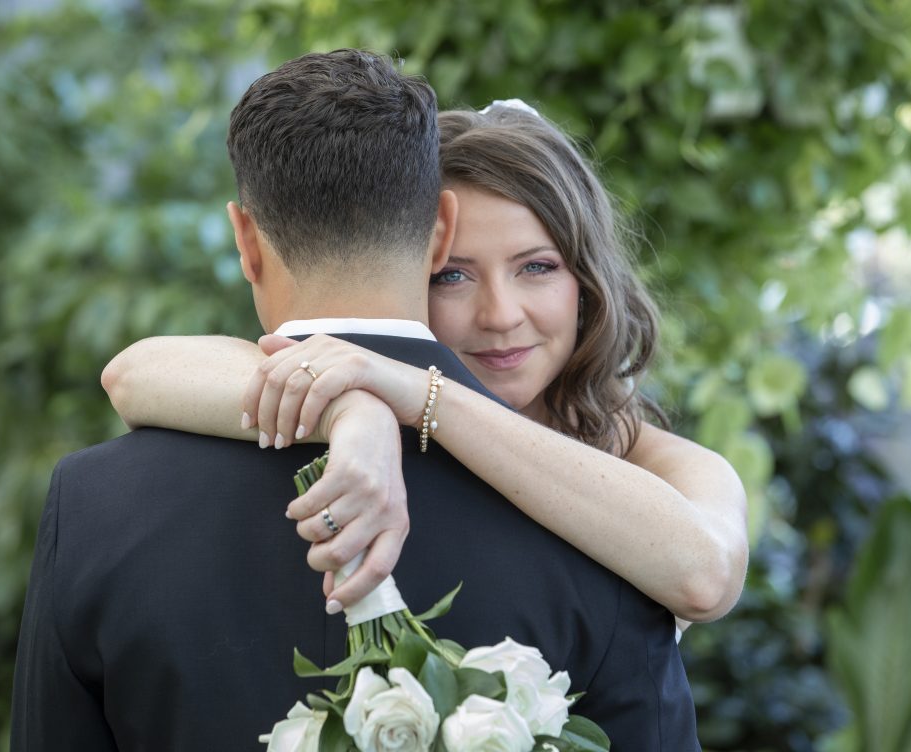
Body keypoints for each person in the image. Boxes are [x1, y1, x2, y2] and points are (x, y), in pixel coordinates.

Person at [11, 49, 701, 750]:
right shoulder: (610, 527)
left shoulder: (91, 502)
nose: (500, 314)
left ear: (247, 242)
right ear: (439, 234)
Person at [103, 103, 748, 631]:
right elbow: (133, 373)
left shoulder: (662, 462)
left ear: (587, 281)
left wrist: (419, 394)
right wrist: (353, 408)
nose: (500, 315)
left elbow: (706, 577)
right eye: (454, 275)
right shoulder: (351, 384)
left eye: (537, 267)